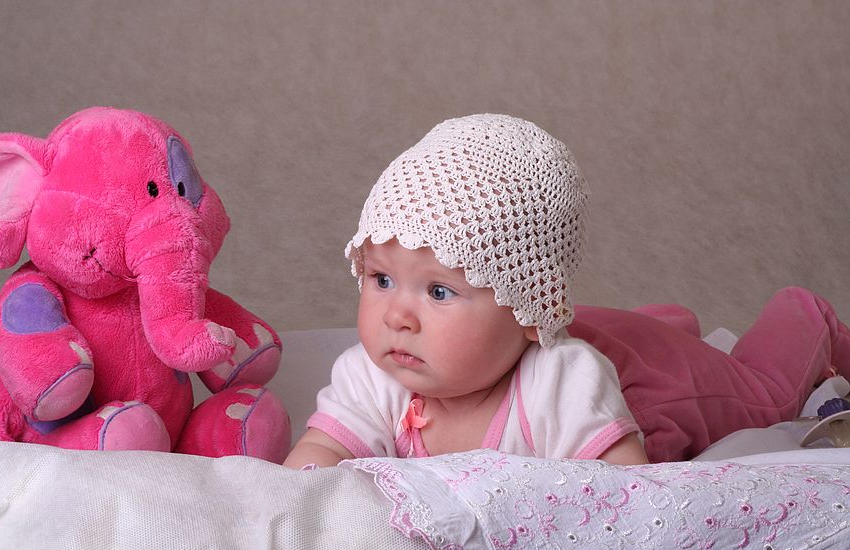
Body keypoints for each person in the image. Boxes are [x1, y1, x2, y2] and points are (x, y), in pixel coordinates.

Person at [283, 114, 850, 469]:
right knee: (631, 327)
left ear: (532, 311)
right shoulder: (377, 372)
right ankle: (667, 321)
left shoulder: (563, 381)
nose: (397, 316)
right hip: (578, 329)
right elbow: (318, 456)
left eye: (438, 291)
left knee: (766, 390)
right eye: (381, 279)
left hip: (653, 390)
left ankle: (807, 316)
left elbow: (627, 501)